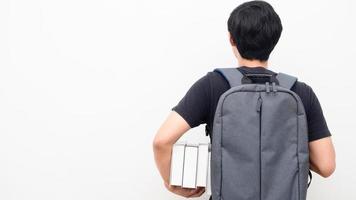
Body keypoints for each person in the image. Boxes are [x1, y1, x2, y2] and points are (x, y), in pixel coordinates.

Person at [153, 0, 336, 198]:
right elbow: (326, 166)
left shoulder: (212, 85)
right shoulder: (300, 92)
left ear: (231, 39)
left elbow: (161, 141)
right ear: (275, 40)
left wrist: (172, 182)